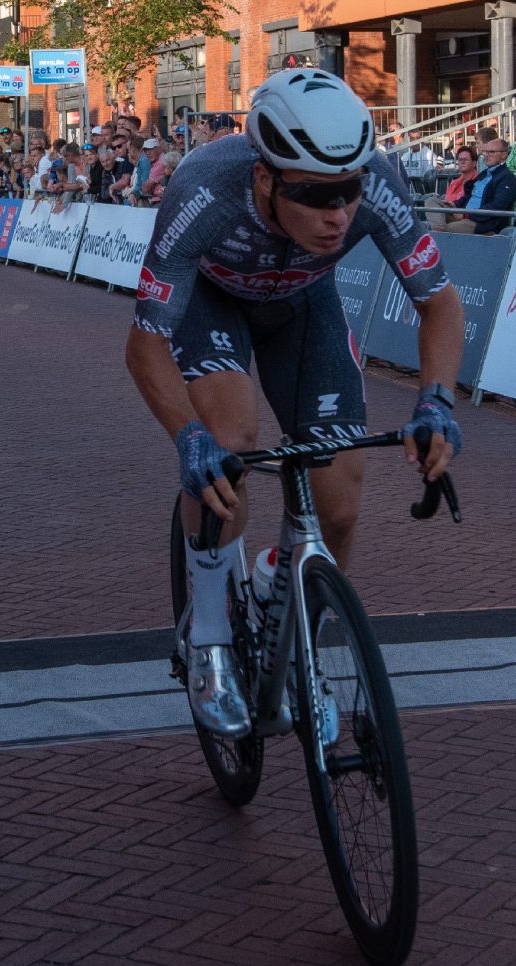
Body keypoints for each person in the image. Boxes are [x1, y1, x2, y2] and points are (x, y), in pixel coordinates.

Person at [127, 69, 464, 736]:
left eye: (349, 191)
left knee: (339, 504)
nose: (338, 214)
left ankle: (297, 636)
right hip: (212, 303)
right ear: (265, 179)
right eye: (313, 195)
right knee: (231, 439)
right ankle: (210, 636)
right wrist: (188, 436)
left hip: (304, 304)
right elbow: (145, 345)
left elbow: (440, 303)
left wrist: (436, 402)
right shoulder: (203, 189)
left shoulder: (378, 183)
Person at [447, 136, 516, 234]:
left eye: (491, 152)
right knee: (431, 202)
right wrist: (455, 204)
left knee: (440, 230)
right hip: (463, 215)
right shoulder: (483, 174)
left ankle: (438, 230)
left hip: (479, 223)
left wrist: (467, 215)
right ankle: (437, 228)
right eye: (485, 152)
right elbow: (469, 196)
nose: (486, 155)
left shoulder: (507, 178)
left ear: (504, 155)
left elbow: (497, 206)